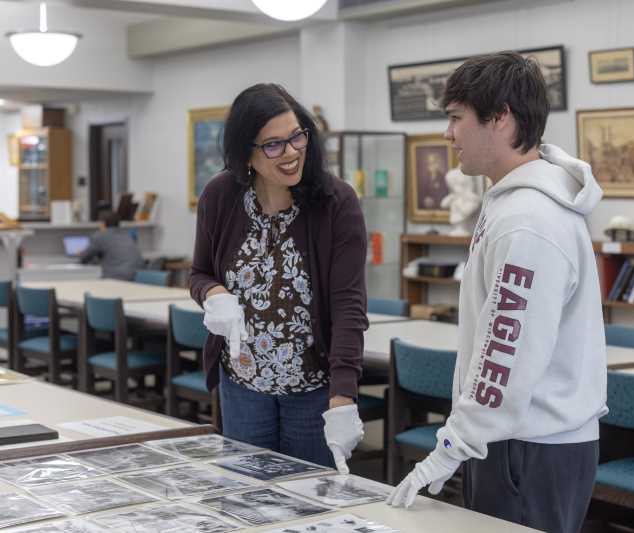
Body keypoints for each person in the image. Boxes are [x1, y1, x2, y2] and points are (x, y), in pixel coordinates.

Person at [387, 51, 608, 533]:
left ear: (501, 118)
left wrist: (449, 449)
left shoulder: (529, 221)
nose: (448, 134)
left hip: (530, 446)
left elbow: (506, 354)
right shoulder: (514, 203)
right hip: (516, 440)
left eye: (455, 118)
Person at [188, 83, 368, 473]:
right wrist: (214, 293)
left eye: (296, 137)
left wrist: (342, 397)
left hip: (311, 390)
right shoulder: (220, 196)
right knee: (245, 503)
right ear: (245, 153)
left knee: (309, 505)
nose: (290, 153)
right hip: (242, 386)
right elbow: (198, 273)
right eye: (273, 145)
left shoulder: (337, 203)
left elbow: (348, 306)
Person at [79, 211, 144, 280]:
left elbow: (84, 258)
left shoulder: (100, 235)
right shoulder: (127, 234)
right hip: (136, 276)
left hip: (116, 277)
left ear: (103, 224)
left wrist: (80, 254)